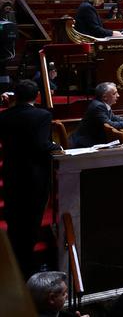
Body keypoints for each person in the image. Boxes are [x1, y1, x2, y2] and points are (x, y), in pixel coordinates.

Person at [0, 80, 59, 276]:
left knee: (14, 218)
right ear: (37, 96)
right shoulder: (42, 115)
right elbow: (41, 144)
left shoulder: (5, 115)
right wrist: (56, 147)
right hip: (34, 175)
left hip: (11, 172)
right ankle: (27, 265)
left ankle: (13, 260)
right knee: (32, 219)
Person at [70, 82, 123, 148]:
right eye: (114, 94)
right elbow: (111, 125)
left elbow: (113, 117)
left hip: (92, 140)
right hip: (84, 144)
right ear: (105, 97)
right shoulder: (98, 106)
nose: (118, 95)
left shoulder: (101, 104)